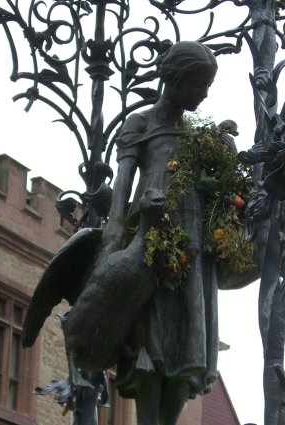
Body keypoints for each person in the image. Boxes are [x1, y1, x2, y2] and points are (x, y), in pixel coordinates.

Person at [101, 41, 220, 425]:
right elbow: (121, 189)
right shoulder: (140, 124)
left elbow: (215, 192)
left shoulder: (199, 136)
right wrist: (112, 239)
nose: (204, 94)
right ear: (175, 79)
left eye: (207, 86)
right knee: (149, 342)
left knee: (189, 347)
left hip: (194, 246)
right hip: (153, 236)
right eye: (198, 84)